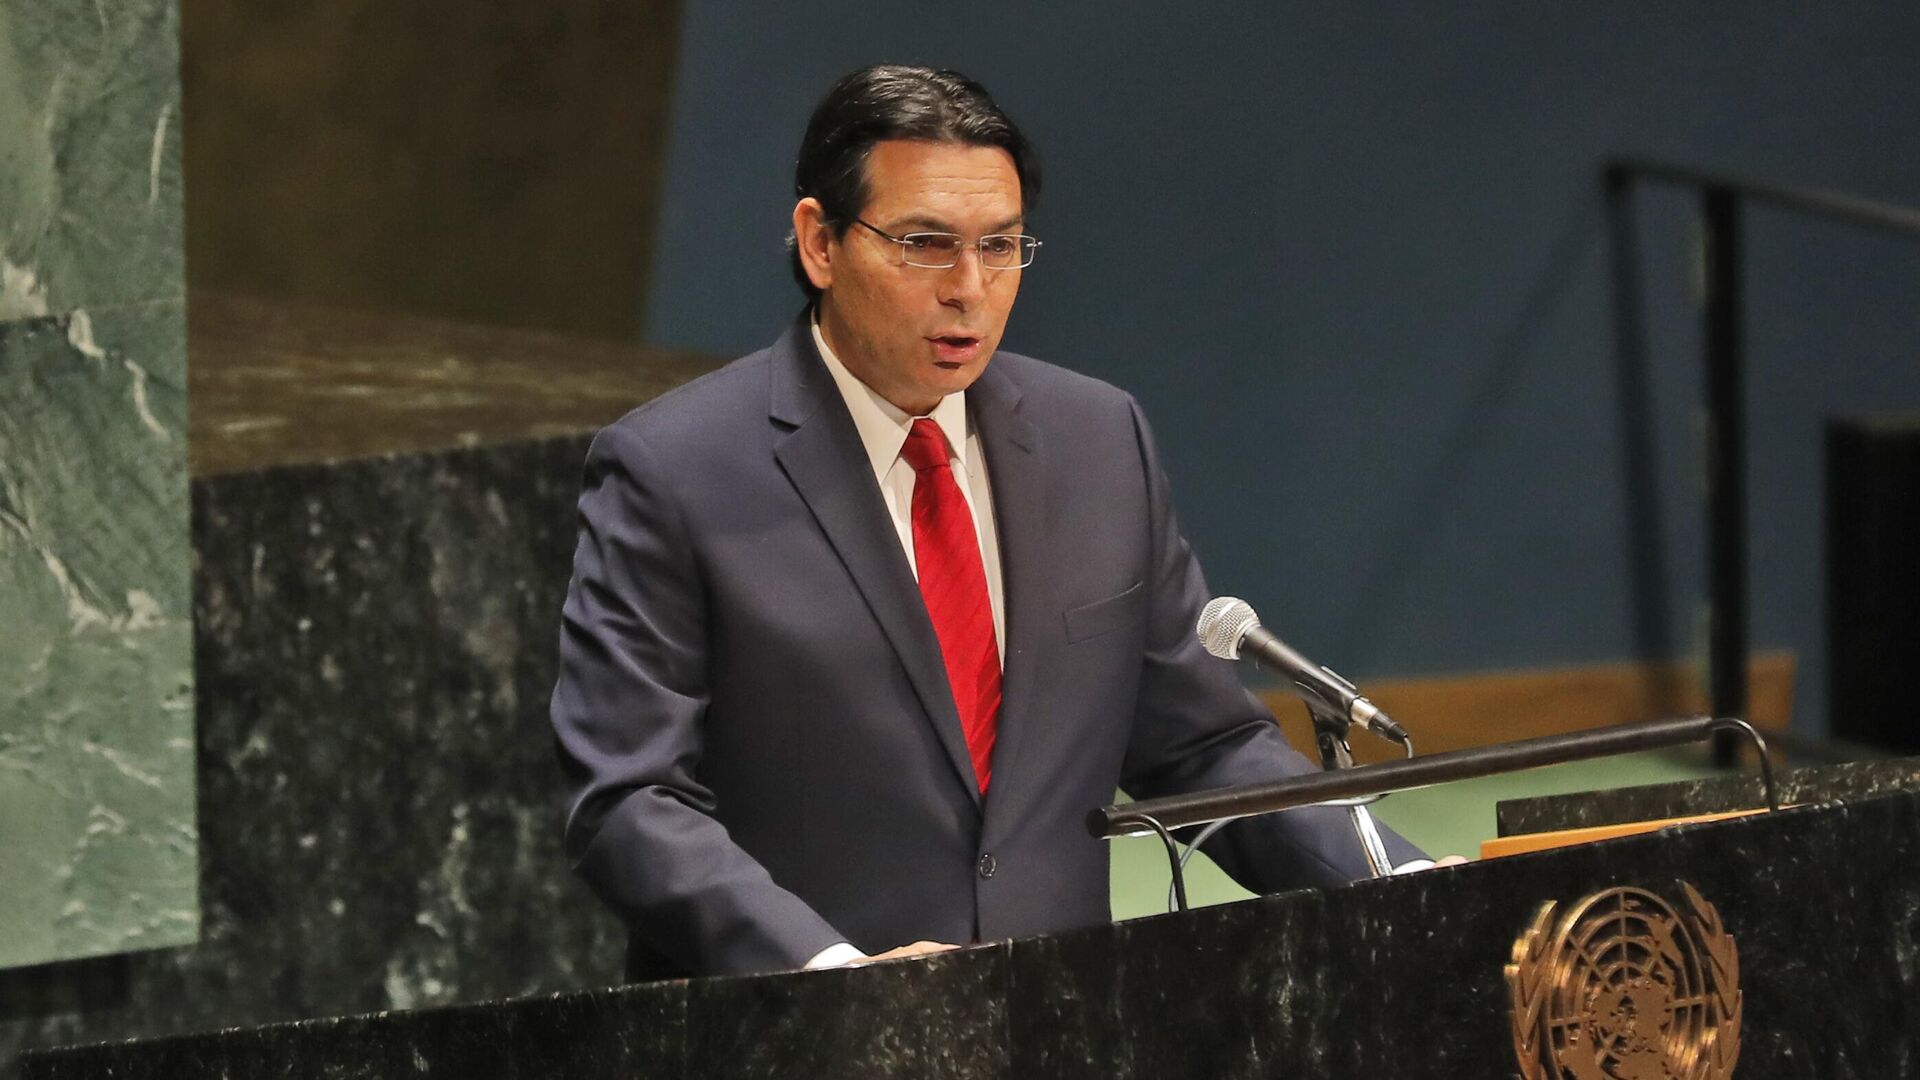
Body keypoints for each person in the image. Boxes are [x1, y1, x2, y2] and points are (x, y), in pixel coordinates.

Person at [551, 64, 1432, 980]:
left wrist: (1406, 886)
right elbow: (630, 799)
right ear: (820, 243)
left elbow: (1202, 748)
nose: (970, 288)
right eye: (925, 244)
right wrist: (834, 975)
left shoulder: (1097, 440)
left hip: (1061, 1018)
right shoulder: (675, 470)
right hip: (798, 1029)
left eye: (1001, 246)